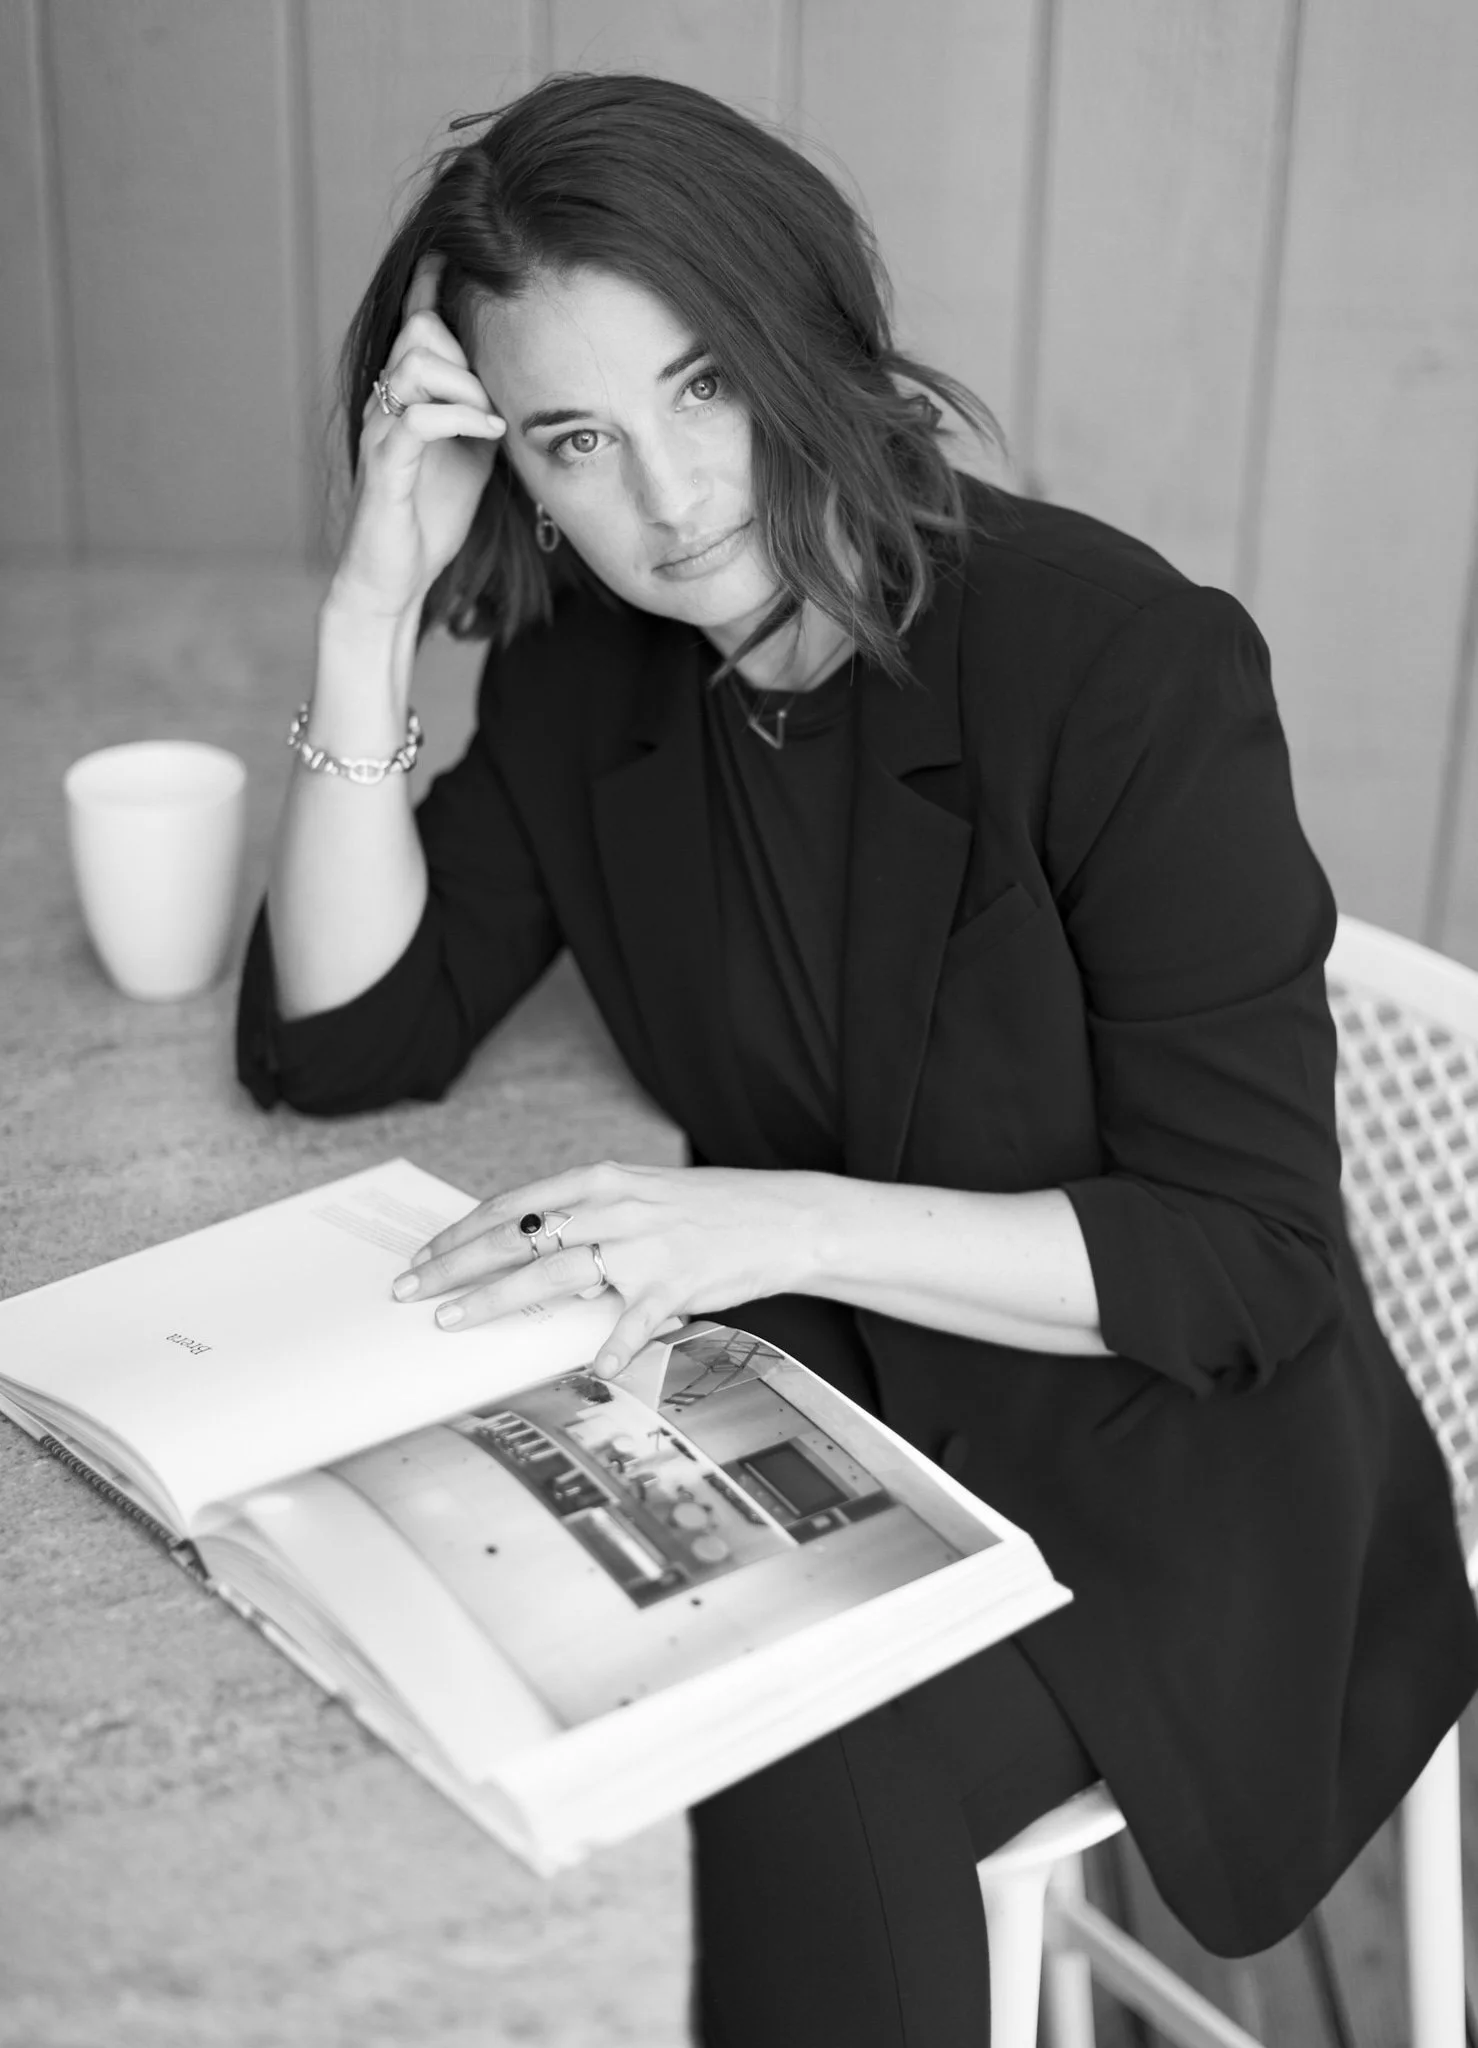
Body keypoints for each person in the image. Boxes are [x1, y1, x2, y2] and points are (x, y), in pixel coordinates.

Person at [237, 70, 1478, 2048]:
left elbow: (1240, 1261)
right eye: (575, 439)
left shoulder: (1118, 667)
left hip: (1166, 1471)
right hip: (825, 1413)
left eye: (703, 386)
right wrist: (373, 605)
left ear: (808, 336)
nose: (668, 501)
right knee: (449, 1668)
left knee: (776, 1770)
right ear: (512, 467)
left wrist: (762, 1223)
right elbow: (345, 1033)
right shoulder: (587, 675)